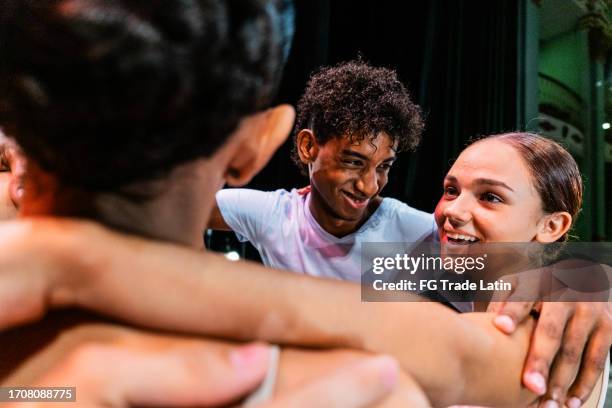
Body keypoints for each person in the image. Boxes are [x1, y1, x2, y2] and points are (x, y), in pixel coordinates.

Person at [0, 2, 606, 406]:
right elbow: (460, 353)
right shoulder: (356, 383)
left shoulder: (409, 245)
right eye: (451, 191)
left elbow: (494, 277)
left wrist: (575, 273)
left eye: (384, 169)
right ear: (269, 144)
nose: (369, 186)